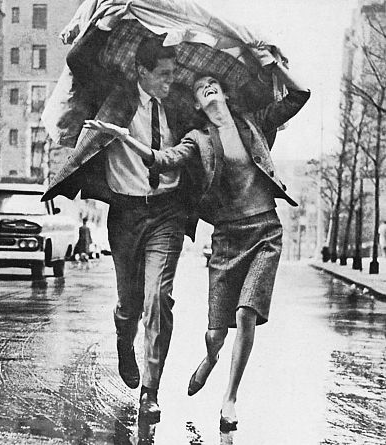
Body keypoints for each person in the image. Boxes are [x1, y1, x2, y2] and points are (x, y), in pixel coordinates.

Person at [84, 55, 310, 433]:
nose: (206, 87)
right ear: (197, 103)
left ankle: (185, 395)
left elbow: (298, 96)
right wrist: (124, 137)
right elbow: (166, 157)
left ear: (224, 92)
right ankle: (178, 350)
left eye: (214, 84)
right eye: (200, 87)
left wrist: (272, 60)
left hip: (244, 228)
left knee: (210, 307)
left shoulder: (251, 124)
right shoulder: (196, 137)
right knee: (166, 315)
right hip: (193, 229)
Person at [43, 37, 196, 422]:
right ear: (141, 71)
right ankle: (124, 343)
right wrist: (104, 21)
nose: (170, 80)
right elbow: (78, 60)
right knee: (130, 304)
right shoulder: (116, 95)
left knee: (158, 299)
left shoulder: (178, 105)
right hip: (126, 214)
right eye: (163, 74)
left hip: (168, 213)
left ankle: (151, 390)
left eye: (173, 73)